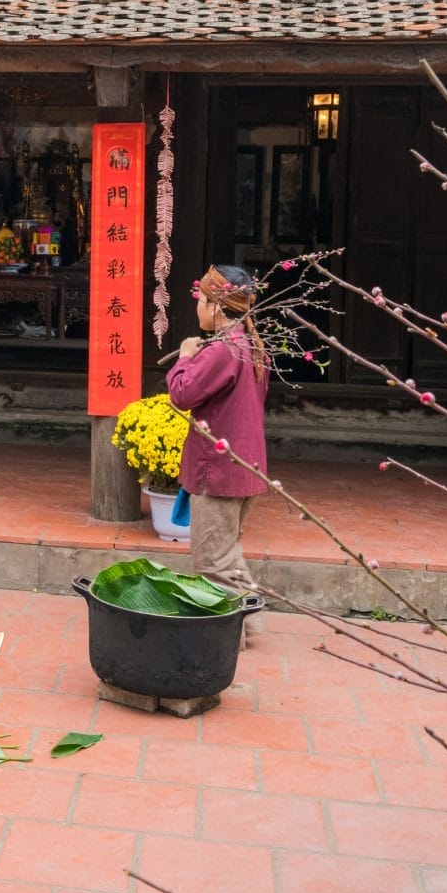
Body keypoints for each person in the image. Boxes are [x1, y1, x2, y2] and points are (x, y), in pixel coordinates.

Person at [166, 265, 270, 633]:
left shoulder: (224, 349)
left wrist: (185, 355)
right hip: (246, 467)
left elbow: (182, 394)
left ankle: (223, 640)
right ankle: (249, 628)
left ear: (216, 307)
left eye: (201, 301)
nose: (198, 308)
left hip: (221, 470)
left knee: (212, 565)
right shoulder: (249, 344)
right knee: (227, 554)